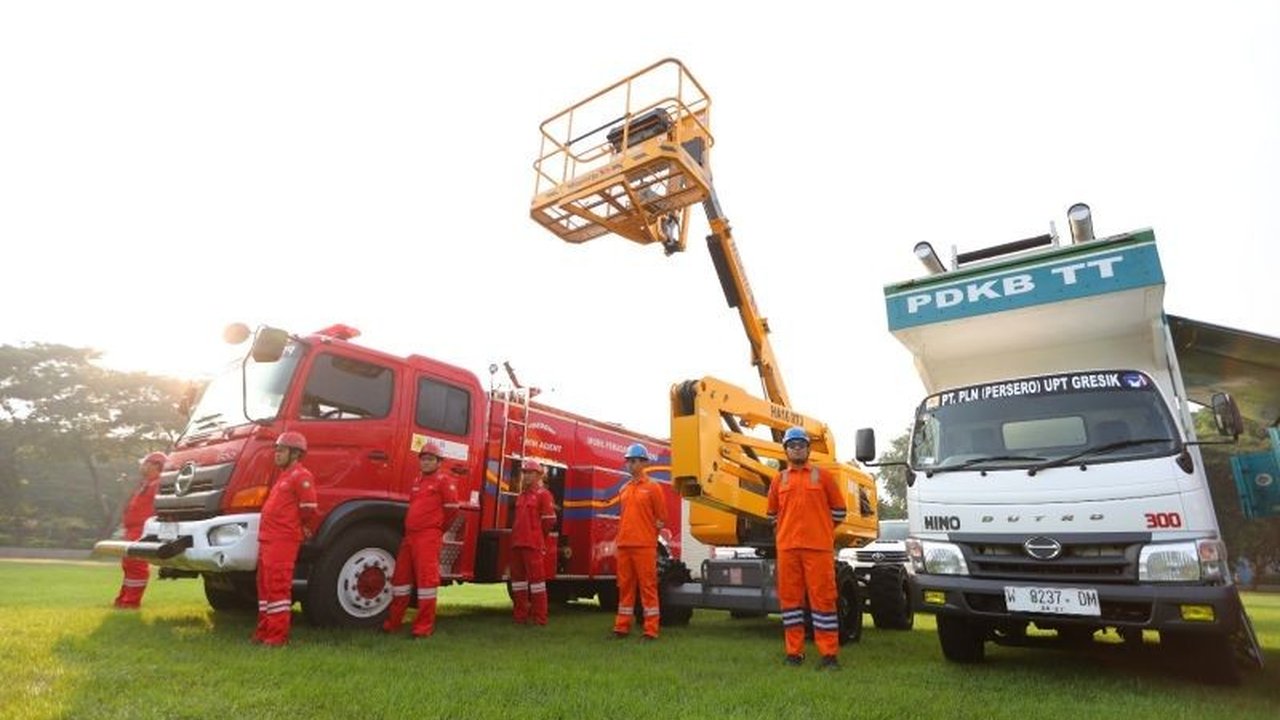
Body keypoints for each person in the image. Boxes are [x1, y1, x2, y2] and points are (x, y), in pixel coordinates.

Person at [767, 426, 848, 670]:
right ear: (786, 450)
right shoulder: (778, 480)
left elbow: (839, 511)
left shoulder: (823, 477)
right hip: (788, 550)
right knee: (790, 602)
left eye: (801, 445)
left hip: (818, 550)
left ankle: (829, 655)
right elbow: (772, 515)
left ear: (808, 449)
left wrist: (820, 528)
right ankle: (794, 653)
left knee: (823, 601)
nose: (796, 449)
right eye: (792, 446)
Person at [383, 442, 460, 638]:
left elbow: (452, 510)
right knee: (400, 580)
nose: (426, 462)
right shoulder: (417, 481)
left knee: (426, 583)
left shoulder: (444, 481)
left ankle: (423, 628)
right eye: (423, 459)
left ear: (439, 462)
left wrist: (437, 528)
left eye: (430, 459)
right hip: (410, 536)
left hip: (428, 537)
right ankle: (393, 623)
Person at [253, 431, 318, 646]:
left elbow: (309, 509)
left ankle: (276, 637)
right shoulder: (284, 476)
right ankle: (263, 631)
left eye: (281, 450)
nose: (277, 454)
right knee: (265, 588)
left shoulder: (301, 476)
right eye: (277, 450)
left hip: (283, 540)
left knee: (278, 587)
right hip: (268, 539)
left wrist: (295, 527)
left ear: (295, 453)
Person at [611, 443, 667, 641]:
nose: (630, 464)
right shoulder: (624, 489)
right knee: (625, 587)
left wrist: (648, 537)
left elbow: (661, 518)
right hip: (624, 545)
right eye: (628, 461)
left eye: (634, 461)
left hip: (644, 546)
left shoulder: (653, 487)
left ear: (644, 463)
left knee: (647, 587)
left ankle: (651, 630)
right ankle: (621, 628)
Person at [113, 451, 166, 609]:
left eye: (146, 463)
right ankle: (122, 600)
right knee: (129, 565)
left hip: (142, 529)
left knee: (136, 566)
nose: (142, 466)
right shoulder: (148, 484)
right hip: (133, 529)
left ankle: (130, 603)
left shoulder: (158, 484)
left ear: (156, 465)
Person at [510, 459, 557, 625]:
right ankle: (520, 616)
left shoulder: (544, 494)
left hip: (533, 544)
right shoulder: (521, 496)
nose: (526, 476)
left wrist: (538, 536)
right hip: (517, 543)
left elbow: (549, 520)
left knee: (537, 583)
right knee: (518, 582)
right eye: (525, 473)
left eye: (530, 473)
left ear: (538, 475)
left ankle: (539, 618)